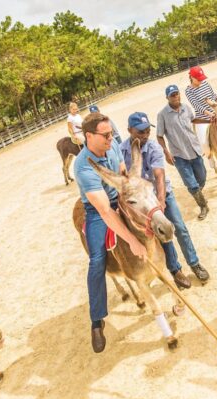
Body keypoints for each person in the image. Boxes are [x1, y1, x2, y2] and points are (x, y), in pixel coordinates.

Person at [73, 112, 148, 353]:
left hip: (121, 195)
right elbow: (106, 211)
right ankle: (97, 321)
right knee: (96, 261)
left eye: (111, 134)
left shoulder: (112, 144)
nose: (111, 139)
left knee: (154, 218)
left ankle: (175, 268)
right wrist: (131, 242)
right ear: (89, 136)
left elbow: (123, 171)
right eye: (105, 135)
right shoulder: (83, 166)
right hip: (98, 211)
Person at [122, 112, 210, 288]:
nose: (145, 135)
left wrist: (161, 201)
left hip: (160, 196)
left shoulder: (154, 147)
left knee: (179, 228)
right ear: (129, 130)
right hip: (141, 203)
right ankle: (175, 270)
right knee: (159, 237)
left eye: (147, 131)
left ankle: (194, 263)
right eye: (140, 132)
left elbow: (159, 176)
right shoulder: (120, 151)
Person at [157, 84, 209, 220]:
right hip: (179, 155)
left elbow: (193, 119)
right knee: (191, 184)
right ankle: (203, 205)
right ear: (167, 98)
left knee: (202, 178)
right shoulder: (162, 115)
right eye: (171, 95)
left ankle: (198, 193)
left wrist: (208, 120)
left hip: (194, 149)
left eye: (176, 94)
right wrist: (166, 152)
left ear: (179, 94)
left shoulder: (186, 108)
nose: (175, 97)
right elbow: (159, 136)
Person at [184, 66, 217, 162]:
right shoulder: (188, 91)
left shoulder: (205, 84)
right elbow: (197, 106)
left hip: (216, 115)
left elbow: (213, 96)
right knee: (203, 143)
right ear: (192, 78)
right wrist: (211, 115)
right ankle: (211, 159)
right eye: (198, 79)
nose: (200, 81)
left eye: (201, 78)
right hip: (203, 119)